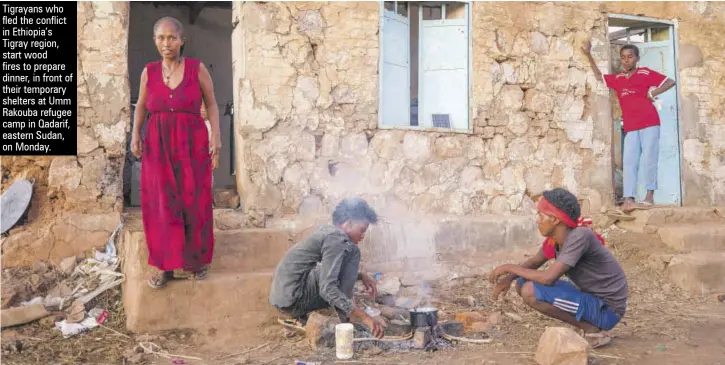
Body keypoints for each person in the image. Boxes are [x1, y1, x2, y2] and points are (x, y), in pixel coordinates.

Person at [130, 16, 223, 289]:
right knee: (161, 202)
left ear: (182, 40)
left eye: (172, 38)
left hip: (192, 141)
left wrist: (215, 136)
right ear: (154, 41)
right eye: (160, 38)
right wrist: (135, 133)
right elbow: (141, 106)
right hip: (157, 142)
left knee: (193, 199)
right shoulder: (149, 71)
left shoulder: (197, 69)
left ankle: (194, 262)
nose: (166, 43)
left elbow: (213, 105)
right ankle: (164, 264)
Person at [489, 188, 628, 348]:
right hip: (590, 298)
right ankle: (588, 324)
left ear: (555, 220)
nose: (537, 220)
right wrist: (508, 279)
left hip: (607, 309)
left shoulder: (579, 236)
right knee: (521, 283)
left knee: (530, 291)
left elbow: (548, 278)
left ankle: (592, 329)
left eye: (541, 215)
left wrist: (509, 267)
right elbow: (535, 262)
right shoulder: (555, 240)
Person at [269, 198, 387, 338]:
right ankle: (346, 321)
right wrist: (365, 317)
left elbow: (331, 270)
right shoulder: (338, 240)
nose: (363, 235)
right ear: (348, 224)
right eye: (362, 230)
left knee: (335, 265)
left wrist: (361, 276)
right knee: (353, 251)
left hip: (283, 295)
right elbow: (327, 289)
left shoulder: (329, 232)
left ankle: (308, 317)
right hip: (293, 300)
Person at [583, 40, 676, 212]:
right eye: (623, 57)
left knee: (650, 159)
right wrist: (588, 54)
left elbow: (670, 82)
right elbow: (598, 76)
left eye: (630, 57)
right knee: (629, 162)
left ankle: (649, 197)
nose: (626, 60)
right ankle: (628, 199)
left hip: (650, 122)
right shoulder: (618, 79)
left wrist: (652, 93)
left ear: (637, 59)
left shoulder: (645, 73)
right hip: (631, 126)